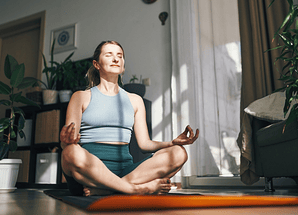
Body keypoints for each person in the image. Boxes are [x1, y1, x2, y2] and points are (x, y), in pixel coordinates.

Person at [60, 40, 199, 196]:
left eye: (120, 55)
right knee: (70, 152)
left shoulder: (135, 100)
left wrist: (171, 143)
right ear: (96, 64)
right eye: (109, 55)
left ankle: (108, 190)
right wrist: (65, 142)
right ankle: (135, 189)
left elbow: (145, 144)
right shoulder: (81, 97)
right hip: (90, 173)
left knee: (179, 153)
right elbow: (69, 143)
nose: (115, 59)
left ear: (123, 65)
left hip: (127, 172)